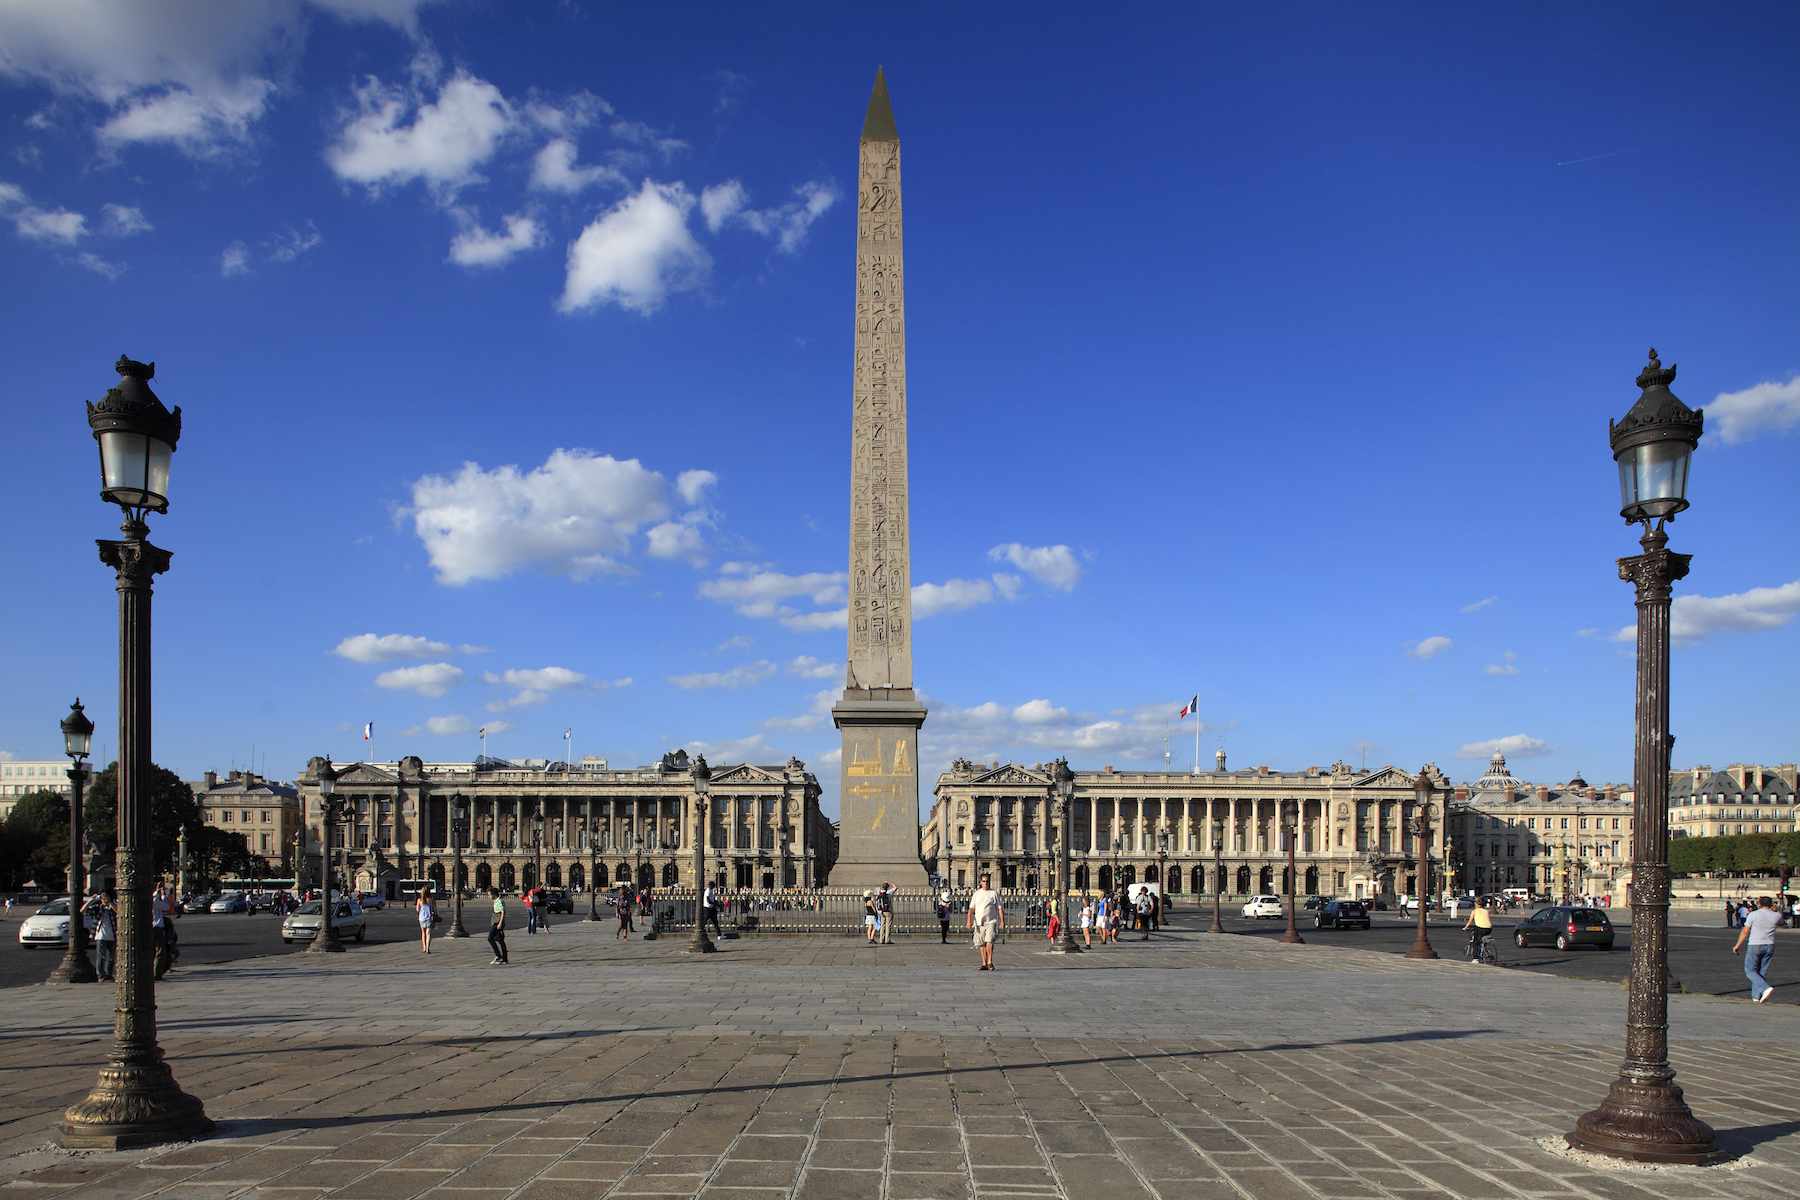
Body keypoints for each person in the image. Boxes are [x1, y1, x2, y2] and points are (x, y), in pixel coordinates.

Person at [1733, 894, 1781, 1003]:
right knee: (1761, 971)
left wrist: (1737, 945)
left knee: (1750, 970)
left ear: (1759, 904)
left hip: (1755, 944)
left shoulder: (1753, 914)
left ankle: (1765, 988)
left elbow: (1745, 931)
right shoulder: (1777, 915)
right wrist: (1775, 910)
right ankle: (1756, 996)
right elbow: (1782, 923)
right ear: (1770, 904)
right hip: (1770, 945)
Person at [967, 871, 1004, 971]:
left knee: (989, 941)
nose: (985, 883)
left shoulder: (993, 893)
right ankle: (984, 963)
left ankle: (990, 962)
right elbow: (971, 909)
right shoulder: (977, 894)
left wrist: (1002, 921)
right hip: (979, 922)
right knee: (981, 943)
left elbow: (1000, 908)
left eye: (987, 881)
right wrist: (969, 921)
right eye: (983, 881)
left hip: (991, 922)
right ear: (980, 882)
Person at [92, 890, 116, 981]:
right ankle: (101, 975)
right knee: (101, 956)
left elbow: (118, 911)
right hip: (100, 936)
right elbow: (83, 910)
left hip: (112, 935)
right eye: (102, 898)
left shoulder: (111, 908)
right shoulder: (99, 908)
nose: (104, 899)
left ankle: (108, 974)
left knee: (111, 957)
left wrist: (110, 902)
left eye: (105, 897)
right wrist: (92, 899)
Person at [1462, 895, 1494, 963]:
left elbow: (1470, 921)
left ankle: (1476, 958)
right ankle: (1487, 951)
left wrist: (1465, 927)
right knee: (1482, 940)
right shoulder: (1486, 911)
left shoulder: (1474, 911)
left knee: (1476, 942)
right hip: (1489, 928)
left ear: (1476, 904)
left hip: (1480, 928)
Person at [487, 887, 509, 964]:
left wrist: (500, 923)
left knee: (490, 938)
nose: (488, 896)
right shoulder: (496, 901)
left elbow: (503, 912)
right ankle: (505, 959)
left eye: (489, 895)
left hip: (497, 922)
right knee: (500, 940)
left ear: (493, 894)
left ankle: (498, 956)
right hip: (496, 922)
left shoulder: (499, 901)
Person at [416, 887, 435, 954]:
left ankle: (424, 948)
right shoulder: (431, 899)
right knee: (428, 933)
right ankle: (427, 948)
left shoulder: (419, 900)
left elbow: (417, 910)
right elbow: (434, 909)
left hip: (421, 918)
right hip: (429, 918)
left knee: (423, 933)